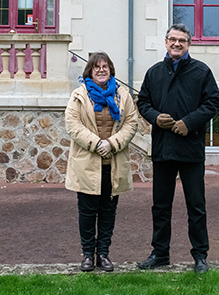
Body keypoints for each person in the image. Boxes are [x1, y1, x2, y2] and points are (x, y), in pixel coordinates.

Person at [136, 23, 219, 274]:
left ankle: (200, 256)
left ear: (188, 44)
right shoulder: (154, 73)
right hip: (163, 149)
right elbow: (143, 102)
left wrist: (189, 122)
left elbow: (213, 103)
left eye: (182, 40)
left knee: (196, 205)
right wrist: (154, 117)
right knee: (160, 205)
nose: (176, 44)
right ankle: (160, 253)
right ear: (165, 42)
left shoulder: (201, 71)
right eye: (172, 39)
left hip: (191, 150)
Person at [65, 52, 138, 272]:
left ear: (111, 69)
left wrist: (112, 143)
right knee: (87, 213)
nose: (101, 70)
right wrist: (97, 143)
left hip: (113, 164)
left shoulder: (122, 95)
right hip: (87, 164)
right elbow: (72, 125)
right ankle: (88, 255)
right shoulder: (79, 95)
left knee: (108, 212)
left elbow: (131, 123)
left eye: (105, 66)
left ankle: (103, 254)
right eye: (96, 67)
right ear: (89, 71)